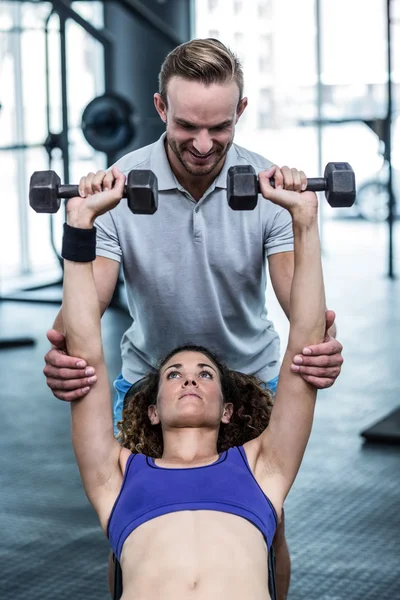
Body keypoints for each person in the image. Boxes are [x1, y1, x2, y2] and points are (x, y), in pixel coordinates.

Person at [43, 39, 344, 598]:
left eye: (220, 128)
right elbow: (86, 311)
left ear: (241, 112)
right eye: (187, 126)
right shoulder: (119, 186)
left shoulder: (270, 188)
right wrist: (79, 228)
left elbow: (297, 307)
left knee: (267, 527)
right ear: (161, 108)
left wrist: (307, 229)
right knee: (127, 533)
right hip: (149, 379)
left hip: (250, 375)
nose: (204, 145)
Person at [61, 163, 326, 600]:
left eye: (205, 374)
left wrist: (306, 221)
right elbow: (85, 349)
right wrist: (80, 222)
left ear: (227, 409)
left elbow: (305, 348)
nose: (189, 380)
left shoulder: (262, 469)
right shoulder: (116, 476)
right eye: (173, 374)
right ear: (150, 408)